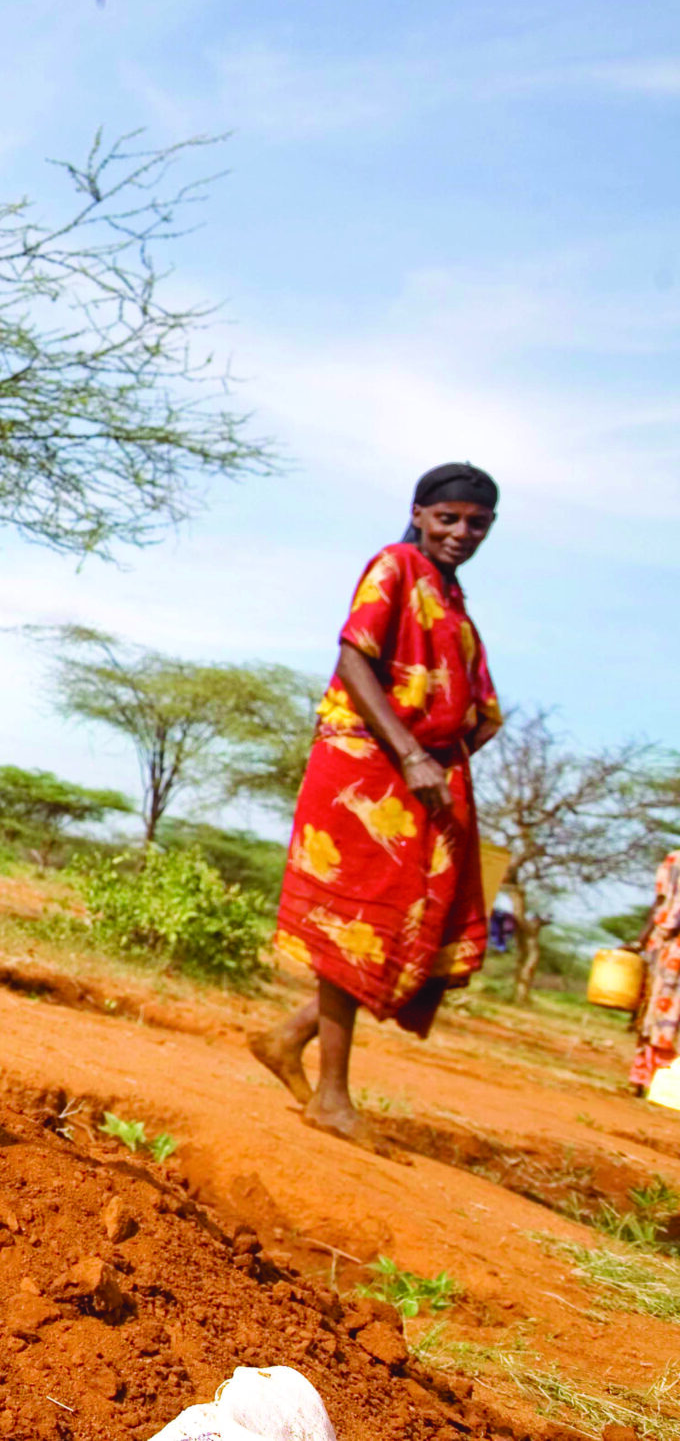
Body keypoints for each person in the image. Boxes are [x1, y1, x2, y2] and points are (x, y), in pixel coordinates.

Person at [251, 463, 502, 1144]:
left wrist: (441, 760)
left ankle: (289, 1037)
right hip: (367, 771)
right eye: (448, 518)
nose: (461, 532)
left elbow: (481, 710)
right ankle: (331, 1096)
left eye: (477, 523)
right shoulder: (395, 566)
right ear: (419, 514)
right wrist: (414, 753)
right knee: (356, 924)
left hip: (419, 780)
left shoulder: (453, 601)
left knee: (398, 926)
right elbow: (352, 658)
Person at [630, 850, 680, 1098]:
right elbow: (660, 902)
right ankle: (650, 1078)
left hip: (668, 945)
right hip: (668, 947)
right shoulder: (674, 860)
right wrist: (640, 941)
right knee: (656, 1012)